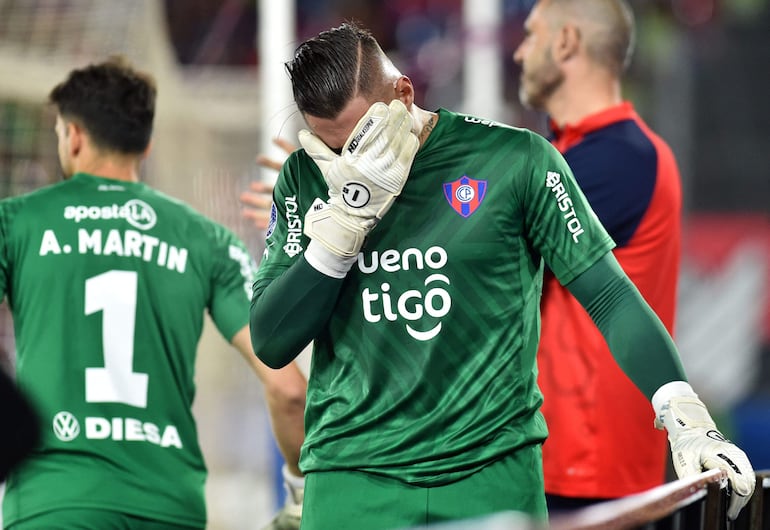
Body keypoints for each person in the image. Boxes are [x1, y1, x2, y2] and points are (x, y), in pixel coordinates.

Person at [249, 21, 755, 530]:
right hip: (350, 479)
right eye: (333, 147)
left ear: (403, 92)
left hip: (491, 476)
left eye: (363, 138)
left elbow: (609, 295)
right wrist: (339, 232)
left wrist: (681, 411)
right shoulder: (306, 179)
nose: (350, 160)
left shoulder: (517, 161)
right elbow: (272, 341)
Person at [0, 56, 306, 530]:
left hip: (54, 502)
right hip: (168, 507)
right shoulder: (209, 241)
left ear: (73, 135)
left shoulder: (16, 223)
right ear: (146, 146)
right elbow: (287, 388)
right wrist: (301, 490)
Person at [512, 0, 683, 512]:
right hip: (570, 464)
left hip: (587, 472)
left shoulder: (620, 158)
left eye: (531, 34)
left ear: (565, 42)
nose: (519, 52)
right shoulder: (594, 154)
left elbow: (482, 256)